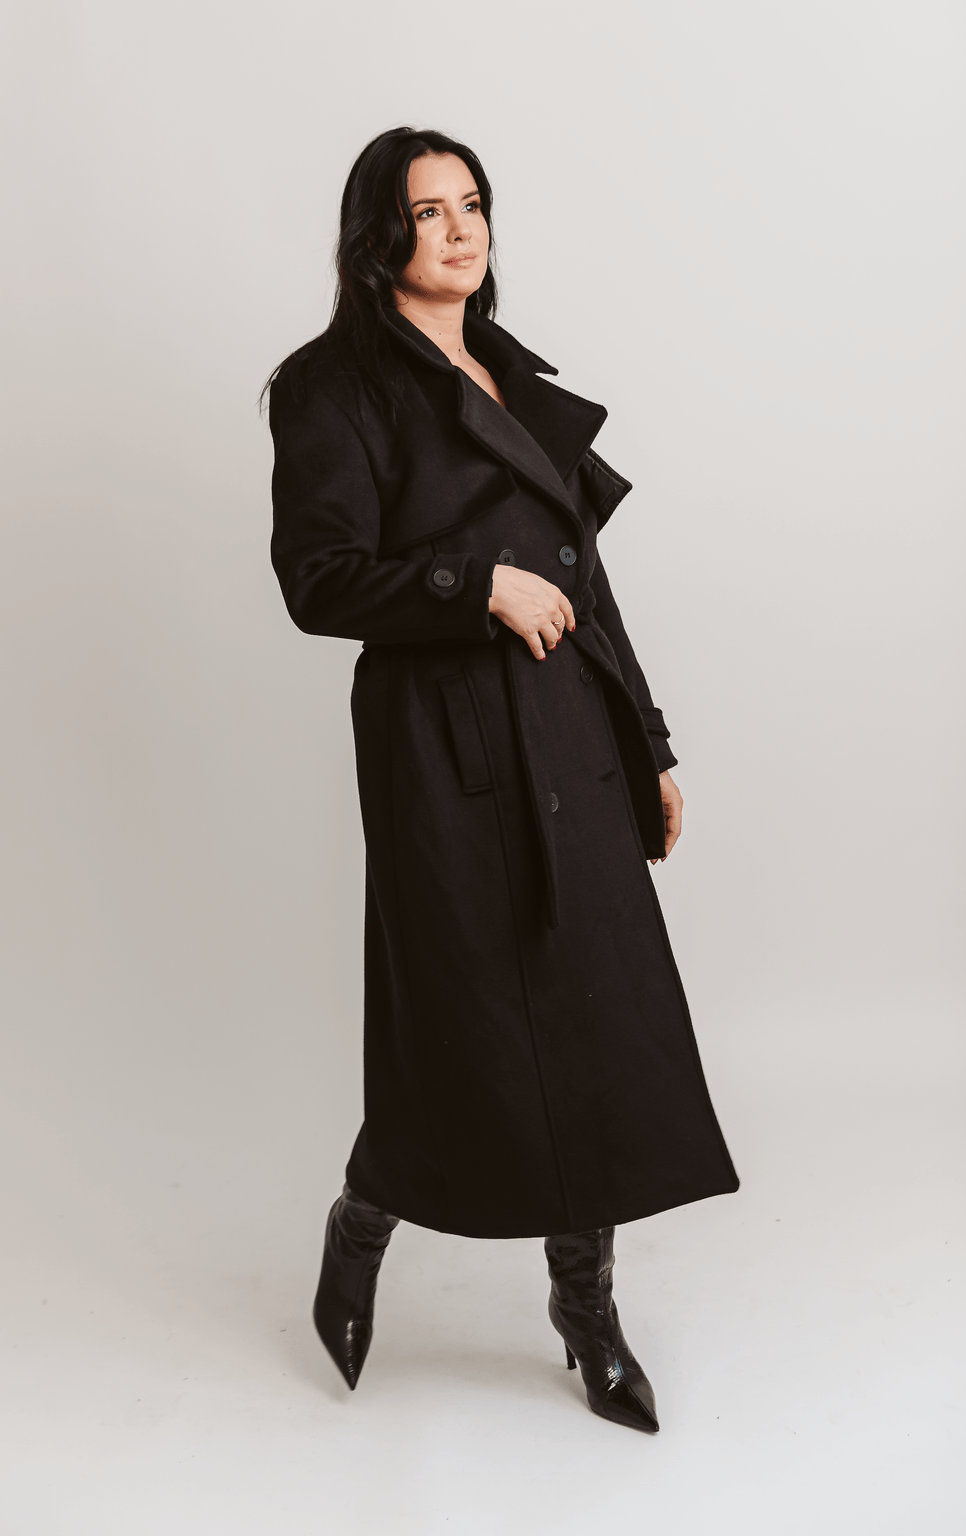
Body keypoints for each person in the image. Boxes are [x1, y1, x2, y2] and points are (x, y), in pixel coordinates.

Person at [267, 126, 738, 1433]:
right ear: (378, 236)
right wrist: (474, 587)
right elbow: (317, 581)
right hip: (444, 747)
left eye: (471, 203)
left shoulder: (512, 372)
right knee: (457, 1025)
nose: (459, 229)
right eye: (428, 211)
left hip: (570, 732)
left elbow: (587, 581)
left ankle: (586, 1314)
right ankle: (362, 1223)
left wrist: (648, 743)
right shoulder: (331, 386)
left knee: (594, 1022)